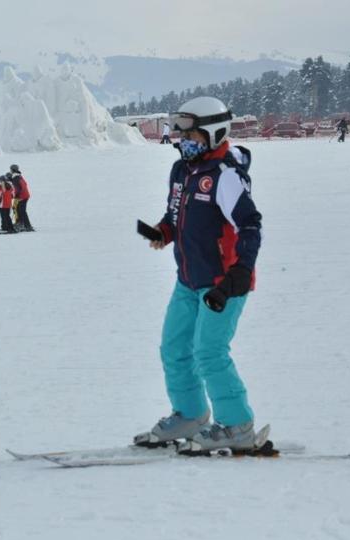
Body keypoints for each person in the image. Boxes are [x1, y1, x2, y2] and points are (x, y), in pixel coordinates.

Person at [133, 96, 263, 452]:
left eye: (190, 134)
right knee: (174, 349)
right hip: (188, 280)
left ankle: (237, 425)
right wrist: (162, 232)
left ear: (214, 132)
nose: (183, 140)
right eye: (181, 134)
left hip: (223, 283)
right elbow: (175, 215)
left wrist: (241, 271)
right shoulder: (182, 171)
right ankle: (190, 414)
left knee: (209, 352)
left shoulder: (226, 176)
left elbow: (250, 226)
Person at [9, 164, 34, 232]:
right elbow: (24, 184)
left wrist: (15, 195)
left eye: (10, 169)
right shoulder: (18, 176)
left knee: (21, 211)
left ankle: (27, 226)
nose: (10, 170)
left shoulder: (16, 178)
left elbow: (18, 188)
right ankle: (21, 224)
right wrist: (11, 180)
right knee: (18, 209)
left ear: (12, 170)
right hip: (24, 195)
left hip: (22, 196)